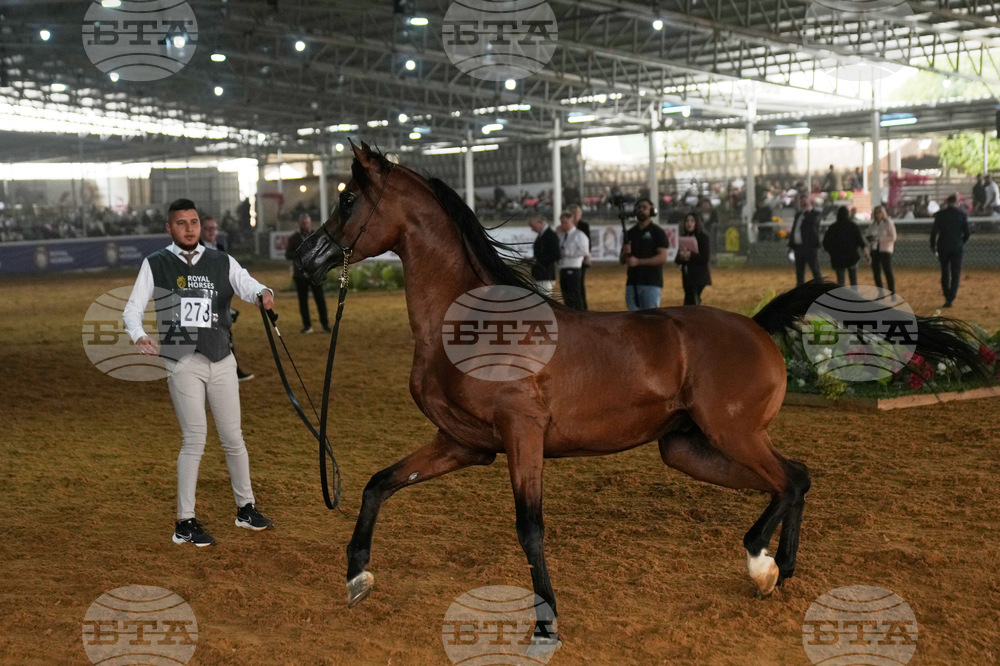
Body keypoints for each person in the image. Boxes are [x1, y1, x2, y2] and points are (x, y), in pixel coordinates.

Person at [123, 198, 275, 547]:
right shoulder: (155, 263)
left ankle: (246, 508)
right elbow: (133, 308)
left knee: (233, 437)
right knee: (194, 439)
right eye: (181, 223)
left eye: (193, 222)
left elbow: (246, 283)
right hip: (182, 359)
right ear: (169, 228)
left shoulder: (221, 260)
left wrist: (262, 292)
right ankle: (185, 521)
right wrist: (139, 334)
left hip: (222, 358)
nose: (189, 228)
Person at [201, 215, 253, 381]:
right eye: (207, 228)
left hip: (220, 301)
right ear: (201, 231)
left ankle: (232, 371)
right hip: (202, 302)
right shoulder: (195, 251)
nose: (211, 231)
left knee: (225, 336)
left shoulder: (221, 248)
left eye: (213, 228)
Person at [619, 198, 669, 310]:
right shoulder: (630, 233)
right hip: (632, 282)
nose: (641, 210)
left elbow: (663, 257)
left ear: (651, 211)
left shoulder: (658, 232)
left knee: (651, 320)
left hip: (651, 282)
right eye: (638, 207)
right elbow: (622, 260)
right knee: (633, 319)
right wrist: (624, 253)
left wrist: (638, 262)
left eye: (644, 207)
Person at [285, 213, 330, 333]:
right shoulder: (294, 238)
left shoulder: (317, 236)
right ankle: (307, 325)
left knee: (320, 299)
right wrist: (298, 255)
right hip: (300, 275)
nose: (305, 225)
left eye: (307, 222)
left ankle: (325, 325)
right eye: (303, 223)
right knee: (303, 301)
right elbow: (287, 254)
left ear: (310, 223)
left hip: (315, 273)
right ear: (299, 224)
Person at [931, 194, 971, 307]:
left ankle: (947, 294)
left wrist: (932, 246)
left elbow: (934, 233)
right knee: (955, 273)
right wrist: (961, 242)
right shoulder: (962, 215)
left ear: (947, 202)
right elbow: (967, 233)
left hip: (943, 246)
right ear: (957, 202)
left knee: (945, 272)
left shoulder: (940, 215)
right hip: (956, 247)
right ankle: (951, 298)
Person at [822, 206, 868, 287]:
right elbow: (861, 241)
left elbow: (826, 243)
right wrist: (866, 254)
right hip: (852, 257)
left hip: (838, 258)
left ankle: (842, 298)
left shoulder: (833, 227)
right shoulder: (853, 226)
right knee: (853, 280)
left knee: (840, 281)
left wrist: (832, 252)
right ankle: (854, 298)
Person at [674, 212, 712, 305]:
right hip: (687, 277)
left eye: (692, 221)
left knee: (691, 302)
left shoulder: (703, 237)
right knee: (691, 301)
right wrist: (681, 257)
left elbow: (705, 257)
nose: (689, 223)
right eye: (687, 221)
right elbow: (676, 259)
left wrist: (690, 254)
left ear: (697, 223)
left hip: (698, 277)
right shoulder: (682, 237)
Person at [556, 210, 589, 310]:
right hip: (563, 269)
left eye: (565, 222)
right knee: (566, 296)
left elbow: (584, 251)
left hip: (573, 268)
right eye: (562, 223)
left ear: (572, 222)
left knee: (575, 296)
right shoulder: (561, 235)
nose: (563, 225)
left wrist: (568, 253)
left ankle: (580, 317)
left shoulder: (579, 235)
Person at [788, 193, 823, 286]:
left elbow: (812, 224)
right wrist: (791, 244)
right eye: (801, 198)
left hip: (810, 247)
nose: (803, 200)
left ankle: (821, 291)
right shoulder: (798, 214)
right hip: (798, 247)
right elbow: (795, 229)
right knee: (799, 273)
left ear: (811, 200)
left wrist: (808, 210)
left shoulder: (816, 214)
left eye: (805, 198)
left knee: (816, 271)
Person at [867, 205, 897, 294]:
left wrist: (879, 239)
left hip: (885, 250)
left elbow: (893, 237)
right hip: (874, 250)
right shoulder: (873, 224)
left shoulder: (888, 223)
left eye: (879, 212)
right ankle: (880, 292)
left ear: (883, 213)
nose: (877, 215)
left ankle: (892, 292)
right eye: (876, 213)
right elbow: (868, 235)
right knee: (876, 272)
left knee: (888, 271)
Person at [528, 214, 560, 297]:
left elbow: (556, 254)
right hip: (542, 274)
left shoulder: (550, 235)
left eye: (532, 226)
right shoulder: (543, 235)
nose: (532, 229)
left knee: (545, 300)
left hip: (545, 273)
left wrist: (537, 261)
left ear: (540, 223)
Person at [568, 204, 591, 310]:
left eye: (577, 213)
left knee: (579, 284)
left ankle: (582, 307)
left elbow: (588, 243)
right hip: (569, 259)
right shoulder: (567, 226)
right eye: (573, 213)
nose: (575, 215)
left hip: (581, 258)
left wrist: (586, 257)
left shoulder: (584, 225)